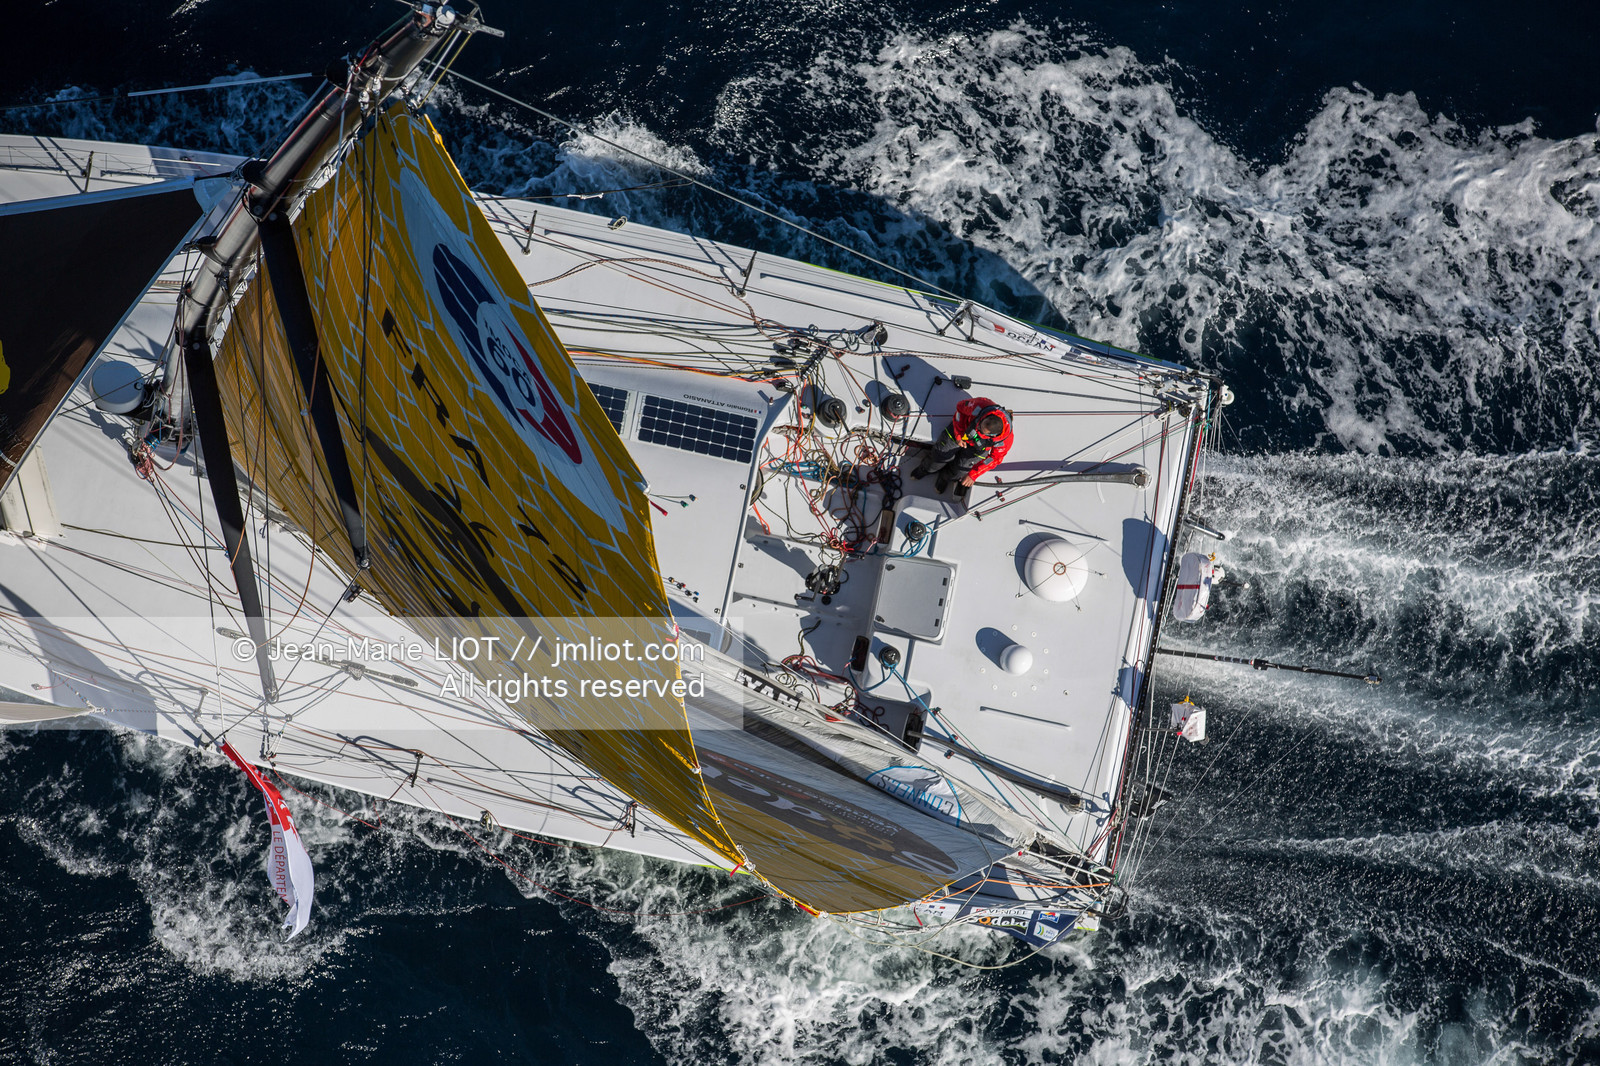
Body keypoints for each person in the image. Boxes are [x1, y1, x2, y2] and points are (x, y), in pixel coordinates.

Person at [909, 397, 1013, 492]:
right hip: (961, 431)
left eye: (982, 431)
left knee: (960, 470)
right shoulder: (979, 406)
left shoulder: (1004, 441)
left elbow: (994, 459)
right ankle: (926, 468)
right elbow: (960, 410)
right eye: (979, 426)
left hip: (978, 449)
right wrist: (958, 434)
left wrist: (973, 475)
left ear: (993, 435)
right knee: (940, 454)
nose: (977, 430)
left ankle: (944, 478)